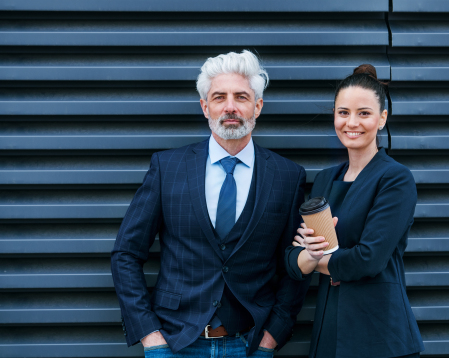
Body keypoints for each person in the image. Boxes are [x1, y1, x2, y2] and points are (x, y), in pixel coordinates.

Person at [111, 50, 311, 357]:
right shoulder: (168, 168)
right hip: (176, 344)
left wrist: (271, 339)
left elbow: (294, 265)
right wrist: (150, 337)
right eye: (219, 97)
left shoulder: (287, 177)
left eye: (241, 97)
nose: (230, 107)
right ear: (205, 107)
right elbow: (126, 253)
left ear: (257, 106)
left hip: (250, 344)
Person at [285, 64, 424, 358]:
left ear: (382, 118)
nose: (352, 123)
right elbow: (292, 260)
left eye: (364, 113)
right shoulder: (325, 179)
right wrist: (313, 257)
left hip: (379, 335)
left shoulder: (395, 179)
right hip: (328, 330)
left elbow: (368, 260)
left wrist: (316, 258)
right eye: (343, 112)